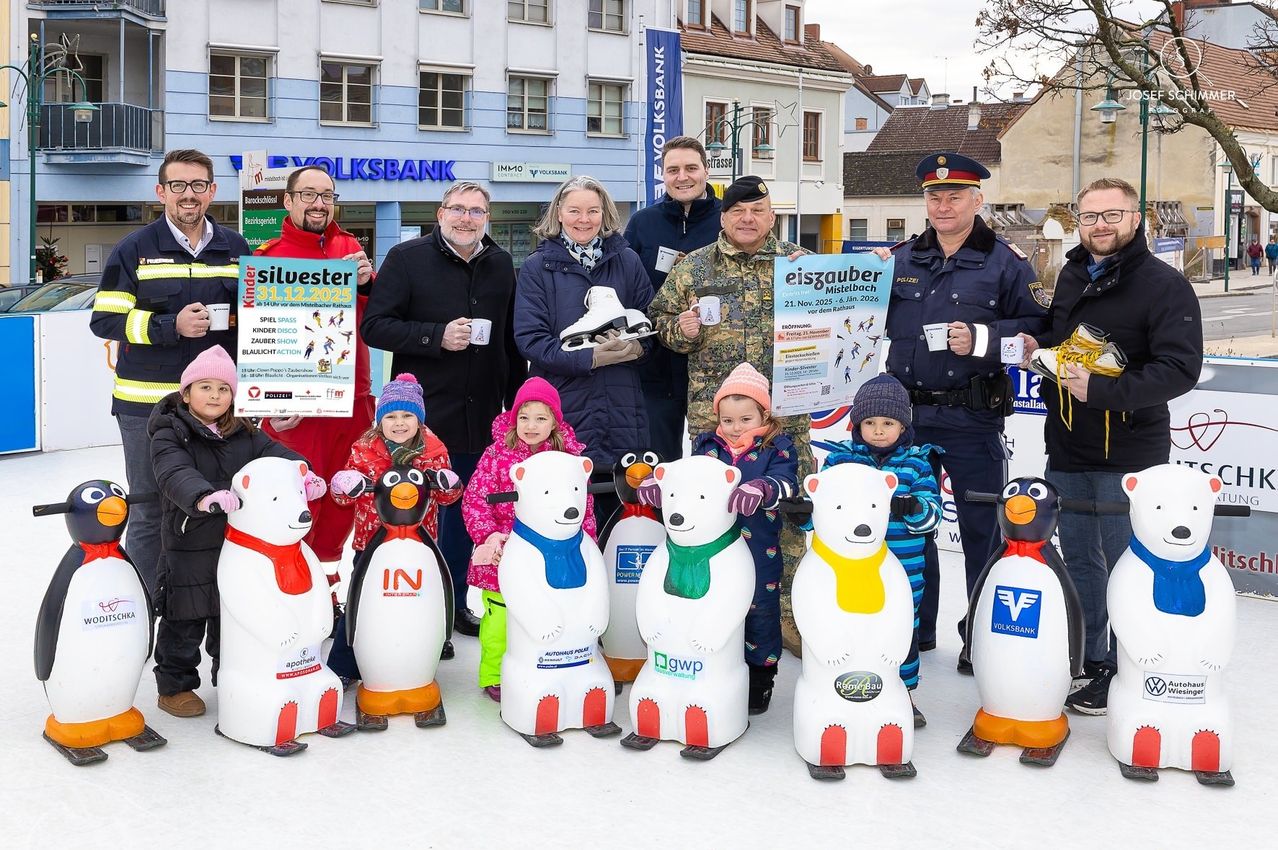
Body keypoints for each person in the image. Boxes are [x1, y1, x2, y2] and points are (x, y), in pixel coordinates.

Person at [1019, 177, 1203, 715]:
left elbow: (1179, 369)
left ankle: (1131, 665)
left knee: (1131, 565)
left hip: (1131, 451)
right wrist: (1039, 347)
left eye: (1111, 215)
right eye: (1089, 216)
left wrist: (1101, 391)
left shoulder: (1164, 285)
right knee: (1078, 559)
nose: (1100, 225)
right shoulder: (1073, 273)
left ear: (1135, 218)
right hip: (1068, 444)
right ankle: (1091, 659)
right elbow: (1065, 342)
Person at [874, 153, 1048, 671]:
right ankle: (914, 629)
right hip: (908, 423)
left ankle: (980, 635)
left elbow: (1042, 330)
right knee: (908, 531)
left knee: (981, 534)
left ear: (977, 201)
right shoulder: (899, 260)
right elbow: (851, 311)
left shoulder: (1006, 263)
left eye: (955, 196)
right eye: (935, 196)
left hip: (972, 419)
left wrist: (984, 339)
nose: (943, 205)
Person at [647, 175, 814, 657]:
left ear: (772, 216)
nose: (748, 219)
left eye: (758, 210)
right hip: (714, 425)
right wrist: (680, 329)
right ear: (723, 217)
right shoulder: (694, 267)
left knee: (785, 518)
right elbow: (658, 322)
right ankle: (714, 608)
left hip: (783, 420)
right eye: (738, 211)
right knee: (712, 516)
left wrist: (872, 268)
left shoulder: (801, 265)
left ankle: (787, 616)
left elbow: (848, 307)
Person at [361, 181, 526, 639]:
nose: (466, 219)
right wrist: (436, 336)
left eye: (476, 211)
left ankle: (452, 606)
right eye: (457, 209)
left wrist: (514, 409)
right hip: (422, 421)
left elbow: (511, 342)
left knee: (464, 515)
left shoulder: (499, 264)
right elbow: (375, 326)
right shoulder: (406, 258)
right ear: (440, 214)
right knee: (420, 514)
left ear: (487, 218)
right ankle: (421, 613)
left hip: (481, 414)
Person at [90, 149, 250, 594]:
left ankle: (208, 603)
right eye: (178, 185)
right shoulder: (134, 249)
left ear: (212, 191)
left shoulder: (236, 248)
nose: (188, 194)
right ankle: (146, 603)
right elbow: (105, 320)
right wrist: (168, 326)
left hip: (216, 409)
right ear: (161, 192)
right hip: (147, 406)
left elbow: (258, 320)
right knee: (148, 508)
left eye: (198, 185)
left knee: (217, 504)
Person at [148, 345, 321, 718]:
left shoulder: (244, 431)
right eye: (205, 387)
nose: (214, 396)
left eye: (223, 389)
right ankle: (175, 685)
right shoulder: (170, 432)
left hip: (239, 544)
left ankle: (231, 678)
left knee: (231, 617)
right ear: (186, 393)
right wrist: (204, 496)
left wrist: (303, 473)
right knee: (185, 616)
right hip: (191, 540)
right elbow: (173, 471)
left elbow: (277, 453)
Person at [256, 164, 376, 604]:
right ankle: (291, 586)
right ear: (288, 201)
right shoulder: (268, 257)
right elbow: (258, 337)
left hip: (351, 397)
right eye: (308, 194)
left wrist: (367, 284)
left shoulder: (351, 248)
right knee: (296, 495)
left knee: (344, 494)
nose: (319, 203)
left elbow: (376, 318)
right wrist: (269, 403)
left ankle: (327, 587)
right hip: (295, 406)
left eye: (327, 195)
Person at [513, 175, 654, 529]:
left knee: (624, 518)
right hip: (564, 405)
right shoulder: (538, 267)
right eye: (574, 210)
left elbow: (649, 323)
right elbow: (530, 339)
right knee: (564, 511)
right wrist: (588, 357)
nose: (583, 219)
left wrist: (636, 348)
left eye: (592, 211)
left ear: (604, 213)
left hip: (622, 406)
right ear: (559, 212)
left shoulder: (627, 261)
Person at [806, 374, 942, 726]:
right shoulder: (841, 462)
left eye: (888, 423)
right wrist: (803, 516)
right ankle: (845, 685)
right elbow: (822, 508)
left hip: (903, 568)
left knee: (900, 629)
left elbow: (933, 515)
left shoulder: (916, 464)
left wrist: (913, 507)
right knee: (851, 625)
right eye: (869, 423)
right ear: (857, 425)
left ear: (903, 426)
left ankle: (903, 691)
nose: (878, 431)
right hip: (847, 569)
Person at [461, 376, 597, 703]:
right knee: (500, 620)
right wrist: (489, 536)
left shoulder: (568, 459)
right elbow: (476, 499)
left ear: (555, 422)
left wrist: (585, 547)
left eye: (540, 418)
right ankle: (495, 674)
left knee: (550, 614)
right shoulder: (497, 455)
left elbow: (584, 507)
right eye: (524, 417)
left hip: (554, 558)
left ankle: (548, 667)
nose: (531, 426)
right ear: (514, 419)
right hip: (504, 555)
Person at [327, 373, 462, 677]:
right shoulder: (364, 449)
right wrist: (345, 484)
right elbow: (343, 495)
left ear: (419, 419)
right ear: (380, 420)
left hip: (418, 544)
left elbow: (447, 497)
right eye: (390, 416)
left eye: (407, 415)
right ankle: (345, 665)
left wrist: (450, 484)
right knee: (363, 601)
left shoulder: (433, 450)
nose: (399, 423)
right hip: (372, 543)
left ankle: (421, 654)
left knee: (420, 600)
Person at [683, 363, 798, 715]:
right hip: (714, 549)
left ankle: (760, 678)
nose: (736, 428)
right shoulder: (708, 446)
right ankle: (713, 665)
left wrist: (763, 486)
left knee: (759, 609)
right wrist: (664, 483)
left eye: (746, 419)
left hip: (757, 547)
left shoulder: (777, 448)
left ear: (764, 414)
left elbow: (787, 482)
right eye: (728, 420)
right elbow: (688, 480)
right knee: (713, 606)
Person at [623, 136, 723, 462]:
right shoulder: (642, 223)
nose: (682, 177)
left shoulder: (729, 221)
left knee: (714, 469)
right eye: (673, 170)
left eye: (691, 168)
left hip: (716, 371)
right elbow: (623, 285)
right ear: (663, 175)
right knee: (656, 467)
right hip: (656, 370)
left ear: (706, 170)